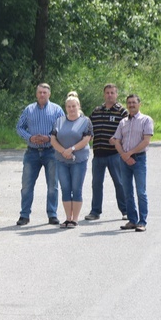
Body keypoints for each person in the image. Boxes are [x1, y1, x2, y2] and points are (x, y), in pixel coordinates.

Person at [15, 83, 65, 226]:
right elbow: (19, 127)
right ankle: (24, 215)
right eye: (40, 92)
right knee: (27, 185)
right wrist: (30, 137)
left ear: (49, 94)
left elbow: (62, 128)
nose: (42, 95)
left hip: (51, 151)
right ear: (36, 94)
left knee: (52, 185)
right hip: (32, 152)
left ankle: (52, 214)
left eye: (44, 92)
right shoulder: (29, 109)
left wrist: (49, 138)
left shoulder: (56, 110)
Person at [111, 94, 154, 232]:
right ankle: (132, 220)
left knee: (141, 191)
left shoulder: (146, 120)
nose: (131, 105)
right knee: (127, 191)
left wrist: (130, 153)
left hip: (139, 159)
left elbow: (146, 141)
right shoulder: (123, 122)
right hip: (124, 160)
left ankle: (142, 221)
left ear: (139, 104)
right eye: (129, 103)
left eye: (134, 102)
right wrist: (124, 155)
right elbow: (116, 140)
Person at [85, 84, 129, 221]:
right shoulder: (97, 111)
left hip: (114, 154)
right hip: (98, 154)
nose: (109, 95)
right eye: (107, 93)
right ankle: (95, 211)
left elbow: (128, 131)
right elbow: (88, 128)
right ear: (104, 94)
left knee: (119, 183)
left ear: (116, 95)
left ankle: (126, 210)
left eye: (112, 93)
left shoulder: (122, 112)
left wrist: (117, 140)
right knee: (96, 184)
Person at [50, 92, 93, 228]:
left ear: (78, 106)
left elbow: (87, 139)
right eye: (68, 106)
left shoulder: (85, 121)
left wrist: (72, 149)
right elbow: (53, 139)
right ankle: (67, 218)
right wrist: (63, 151)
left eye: (73, 106)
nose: (71, 109)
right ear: (65, 107)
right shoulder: (59, 121)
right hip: (61, 159)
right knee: (65, 188)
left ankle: (75, 219)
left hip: (78, 160)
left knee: (76, 188)